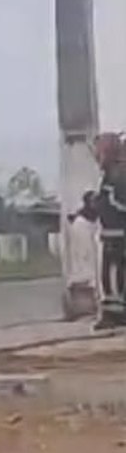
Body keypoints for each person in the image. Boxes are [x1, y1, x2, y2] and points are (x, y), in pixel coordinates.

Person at [95, 134, 126, 330]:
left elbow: (120, 202)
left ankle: (116, 314)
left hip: (118, 234)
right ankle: (113, 313)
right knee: (110, 275)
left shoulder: (118, 174)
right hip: (110, 233)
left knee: (114, 275)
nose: (97, 155)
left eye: (99, 150)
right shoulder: (112, 173)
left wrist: (107, 202)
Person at [65, 190, 100, 320]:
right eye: (94, 201)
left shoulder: (94, 219)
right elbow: (83, 248)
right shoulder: (81, 222)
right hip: (85, 258)